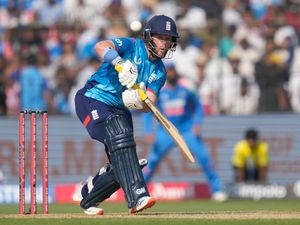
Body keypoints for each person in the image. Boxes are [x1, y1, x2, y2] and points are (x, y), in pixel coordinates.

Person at [72, 15, 179, 215]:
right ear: (148, 36)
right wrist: (120, 63)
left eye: (168, 39)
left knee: (121, 157)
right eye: (160, 38)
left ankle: (89, 196)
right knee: (120, 141)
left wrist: (139, 99)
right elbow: (100, 46)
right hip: (93, 99)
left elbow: (149, 103)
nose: (164, 44)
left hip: (120, 109)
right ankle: (138, 197)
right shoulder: (132, 46)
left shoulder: (160, 72)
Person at [143, 62, 228, 202]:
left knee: (204, 158)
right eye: (168, 71)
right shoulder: (160, 92)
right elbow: (147, 111)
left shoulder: (186, 90)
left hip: (186, 130)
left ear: (176, 72)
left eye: (172, 71)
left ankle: (217, 190)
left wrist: (197, 124)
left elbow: (198, 107)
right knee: (152, 161)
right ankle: (139, 191)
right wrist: (148, 130)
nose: (171, 73)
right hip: (166, 132)